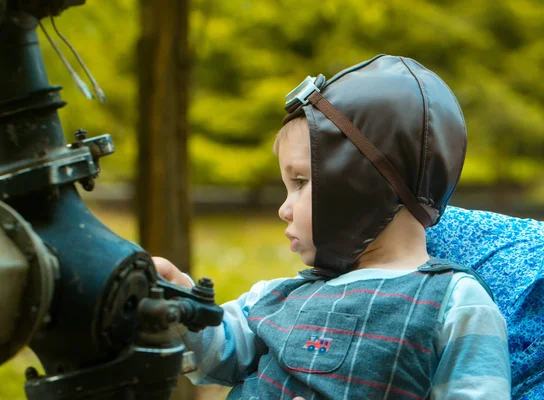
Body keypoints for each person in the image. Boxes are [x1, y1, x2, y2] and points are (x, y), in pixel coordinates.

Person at [153, 54, 511, 399]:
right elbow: (217, 349)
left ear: (361, 184)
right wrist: (178, 296)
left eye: (300, 182)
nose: (283, 209)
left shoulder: (456, 305)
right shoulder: (280, 296)